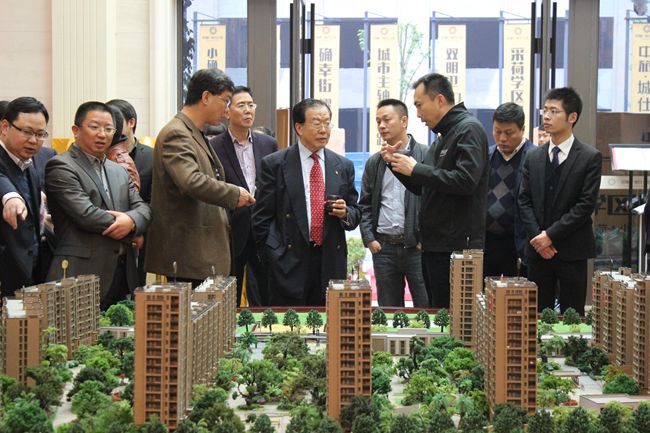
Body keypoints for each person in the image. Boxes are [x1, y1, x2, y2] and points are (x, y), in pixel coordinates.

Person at [381, 73, 488, 308]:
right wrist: (395, 163)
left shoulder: (468, 129)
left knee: (456, 315)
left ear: (439, 100)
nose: (418, 114)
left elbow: (466, 181)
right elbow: (424, 186)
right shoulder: (443, 136)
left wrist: (416, 169)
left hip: (458, 247)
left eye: (419, 105)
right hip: (435, 244)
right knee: (437, 312)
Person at [145, 69, 255, 286]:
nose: (226, 110)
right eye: (225, 101)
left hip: (202, 252)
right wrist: (234, 193)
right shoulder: (176, 133)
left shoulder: (194, 132)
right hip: (188, 254)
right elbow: (191, 181)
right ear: (206, 97)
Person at [252, 98, 360, 306]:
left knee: (329, 320)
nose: (324, 130)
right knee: (289, 322)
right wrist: (273, 254)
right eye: (317, 123)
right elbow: (261, 218)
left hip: (329, 262)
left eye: (327, 123)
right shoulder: (275, 164)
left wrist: (346, 213)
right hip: (288, 261)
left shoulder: (343, 165)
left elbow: (355, 211)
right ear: (299, 128)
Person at [45, 101, 151, 309]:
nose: (102, 134)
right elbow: (85, 214)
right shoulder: (61, 165)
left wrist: (131, 220)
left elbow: (144, 208)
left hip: (123, 274)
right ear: (76, 130)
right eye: (94, 127)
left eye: (109, 129)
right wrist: (129, 227)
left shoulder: (119, 170)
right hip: (81, 272)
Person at [518, 87, 601, 315]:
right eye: (545, 110)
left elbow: (585, 205)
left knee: (572, 317)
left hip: (572, 250)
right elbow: (523, 200)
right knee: (536, 316)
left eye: (554, 111)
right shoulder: (533, 156)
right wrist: (538, 238)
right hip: (538, 251)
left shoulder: (589, 157)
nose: (546, 116)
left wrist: (550, 236)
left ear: (572, 117)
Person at [210, 86, 278, 306]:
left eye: (251, 105)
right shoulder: (214, 147)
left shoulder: (268, 144)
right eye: (241, 105)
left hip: (263, 230)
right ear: (227, 112)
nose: (248, 110)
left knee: (265, 295)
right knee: (229, 293)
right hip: (230, 230)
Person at [359, 98, 428, 308]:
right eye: (378, 121)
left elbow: (435, 202)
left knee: (426, 307)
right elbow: (365, 204)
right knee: (388, 311)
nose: (381, 126)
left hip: (416, 248)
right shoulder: (375, 162)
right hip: (384, 247)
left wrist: (424, 239)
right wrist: (370, 239)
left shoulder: (425, 155)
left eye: (387, 120)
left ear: (404, 121)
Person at [0, 97, 50, 297]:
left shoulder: (29, 166)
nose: (33, 140)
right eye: (27, 132)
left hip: (26, 275)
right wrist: (11, 197)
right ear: (5, 127)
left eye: (40, 134)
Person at [484, 102, 535, 278]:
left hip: (519, 242)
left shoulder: (535, 157)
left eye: (509, 133)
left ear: (522, 129)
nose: (502, 139)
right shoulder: (487, 156)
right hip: (488, 241)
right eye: (497, 131)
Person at [106, 99, 152, 286]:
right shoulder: (100, 156)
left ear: (131, 122)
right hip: (107, 239)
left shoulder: (152, 156)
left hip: (141, 237)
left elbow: (154, 200)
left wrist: (136, 226)